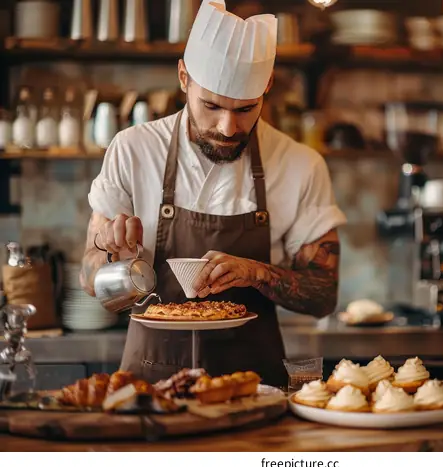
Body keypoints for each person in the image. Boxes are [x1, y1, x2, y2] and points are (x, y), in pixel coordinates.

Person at [79, 0, 347, 386]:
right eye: (211, 105)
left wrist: (256, 273)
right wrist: (112, 258)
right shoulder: (133, 149)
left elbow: (324, 295)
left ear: (267, 87)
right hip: (150, 384)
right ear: (184, 78)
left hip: (254, 387)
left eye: (245, 109)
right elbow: (90, 281)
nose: (227, 127)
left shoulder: (300, 164)